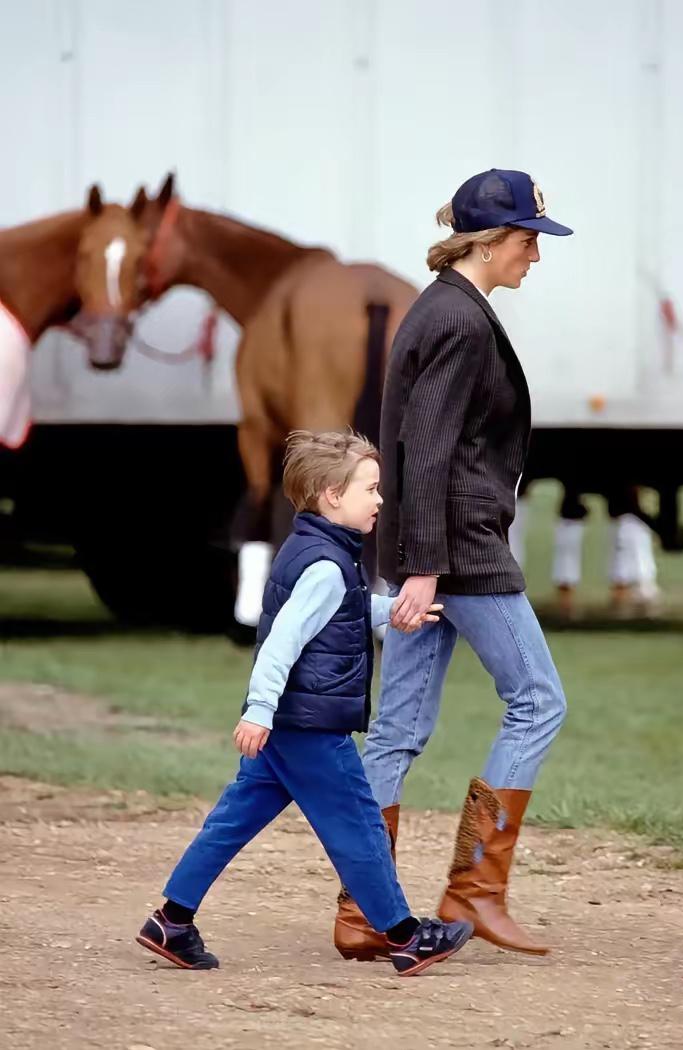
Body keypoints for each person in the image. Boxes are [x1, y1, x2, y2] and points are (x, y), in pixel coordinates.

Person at [335, 169, 572, 960]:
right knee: (538, 701)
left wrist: (410, 562)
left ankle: (365, 914)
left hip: (427, 549)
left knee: (397, 732)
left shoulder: (443, 309)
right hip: (460, 551)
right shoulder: (460, 322)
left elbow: (418, 449)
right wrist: (428, 568)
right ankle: (475, 890)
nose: (536, 257)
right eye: (531, 241)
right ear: (495, 240)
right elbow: (427, 454)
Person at [136, 429, 472, 977]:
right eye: (371, 488)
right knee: (359, 823)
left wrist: (391, 612)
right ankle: (407, 936)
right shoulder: (325, 566)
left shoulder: (313, 551)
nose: (380, 500)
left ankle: (172, 919)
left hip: (291, 727)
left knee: (232, 820)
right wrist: (258, 709)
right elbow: (283, 641)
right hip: (309, 728)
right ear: (332, 495)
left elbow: (332, 619)